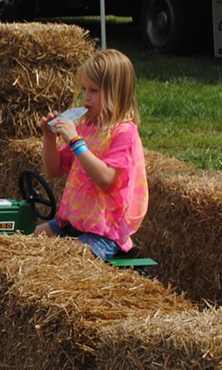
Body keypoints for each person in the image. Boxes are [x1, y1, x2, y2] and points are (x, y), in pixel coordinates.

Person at [36, 49, 148, 261]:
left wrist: (76, 141)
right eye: (84, 89)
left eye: (94, 90)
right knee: (35, 238)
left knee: (66, 259)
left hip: (105, 233)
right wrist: (49, 138)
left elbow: (106, 178)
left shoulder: (124, 132)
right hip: (74, 224)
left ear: (116, 93)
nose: (86, 96)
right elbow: (53, 169)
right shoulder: (87, 127)